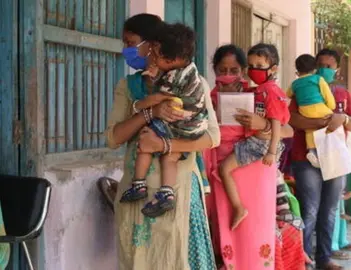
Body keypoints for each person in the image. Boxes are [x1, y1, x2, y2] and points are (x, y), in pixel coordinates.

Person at [106, 13, 219, 269]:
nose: (126, 50)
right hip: (137, 196)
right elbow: (114, 138)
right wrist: (149, 113)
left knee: (176, 259)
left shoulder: (194, 82)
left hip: (178, 194)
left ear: (152, 45)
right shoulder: (129, 86)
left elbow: (212, 137)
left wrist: (166, 146)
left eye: (130, 42)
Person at [203, 44, 294, 270]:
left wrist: (261, 124)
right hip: (221, 171)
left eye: (234, 70)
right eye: (222, 70)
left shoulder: (257, 94)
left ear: (243, 71)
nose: (227, 75)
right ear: (214, 70)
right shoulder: (207, 98)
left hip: (254, 169)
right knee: (225, 226)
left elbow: (288, 130)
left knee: (255, 227)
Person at [119, 23, 208, 218]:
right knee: (171, 157)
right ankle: (166, 193)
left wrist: (141, 106)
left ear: (173, 59)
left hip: (180, 124)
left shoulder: (173, 77)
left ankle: (138, 184)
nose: (154, 58)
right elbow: (113, 137)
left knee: (145, 141)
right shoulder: (190, 70)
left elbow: (158, 98)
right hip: (194, 125)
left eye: (157, 55)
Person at [290, 48, 351, 270]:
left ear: (336, 70)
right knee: (309, 210)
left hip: (335, 158)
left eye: (329, 66)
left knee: (330, 210)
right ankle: (303, 260)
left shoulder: (342, 94)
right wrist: (323, 122)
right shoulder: (301, 87)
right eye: (320, 64)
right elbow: (292, 119)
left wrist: (343, 117)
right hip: (306, 158)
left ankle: (324, 259)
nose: (324, 69)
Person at [219, 43, 290, 230]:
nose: (254, 70)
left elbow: (278, 124)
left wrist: (272, 152)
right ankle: (283, 208)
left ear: (273, 69)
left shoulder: (271, 91)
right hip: (257, 143)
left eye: (260, 66)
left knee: (224, 169)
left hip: (260, 144)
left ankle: (238, 208)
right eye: (251, 66)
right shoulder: (258, 90)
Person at [286, 54, 335, 167]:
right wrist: (331, 107)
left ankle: (312, 151)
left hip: (305, 111)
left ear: (297, 70)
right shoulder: (318, 79)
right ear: (314, 69)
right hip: (320, 109)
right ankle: (327, 149)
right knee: (331, 123)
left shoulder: (295, 84)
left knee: (309, 129)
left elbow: (287, 94)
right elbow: (328, 96)